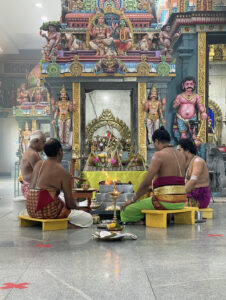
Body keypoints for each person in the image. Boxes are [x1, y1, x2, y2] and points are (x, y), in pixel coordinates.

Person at [120, 127, 187, 223]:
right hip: (181, 201)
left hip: (165, 202)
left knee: (126, 211)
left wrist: (133, 199)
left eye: (154, 144)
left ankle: (146, 221)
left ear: (157, 141)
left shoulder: (159, 155)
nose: (155, 147)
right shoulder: (181, 155)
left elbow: (146, 182)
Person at [26, 138, 93, 228]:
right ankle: (63, 225)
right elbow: (70, 204)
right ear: (60, 152)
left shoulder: (38, 164)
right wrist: (79, 210)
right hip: (48, 211)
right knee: (88, 218)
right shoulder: (63, 172)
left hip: (30, 209)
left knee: (58, 197)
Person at [173, 76, 207, 144]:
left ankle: (194, 142)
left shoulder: (196, 96)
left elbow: (200, 105)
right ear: (183, 85)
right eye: (187, 84)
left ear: (194, 85)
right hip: (181, 118)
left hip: (192, 117)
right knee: (183, 134)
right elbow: (174, 106)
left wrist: (203, 112)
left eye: (191, 84)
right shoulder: (180, 96)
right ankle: (184, 146)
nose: (189, 86)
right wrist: (176, 104)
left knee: (193, 132)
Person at [177, 138, 210, 208]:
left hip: (199, 198)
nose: (178, 153)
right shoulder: (187, 163)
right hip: (188, 196)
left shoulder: (198, 161)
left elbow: (193, 181)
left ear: (187, 150)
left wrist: (178, 194)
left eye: (179, 150)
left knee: (173, 205)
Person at [20, 131, 46, 198]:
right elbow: (41, 174)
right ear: (37, 141)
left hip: (30, 187)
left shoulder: (29, 152)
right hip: (32, 189)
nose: (44, 145)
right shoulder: (32, 154)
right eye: (43, 142)